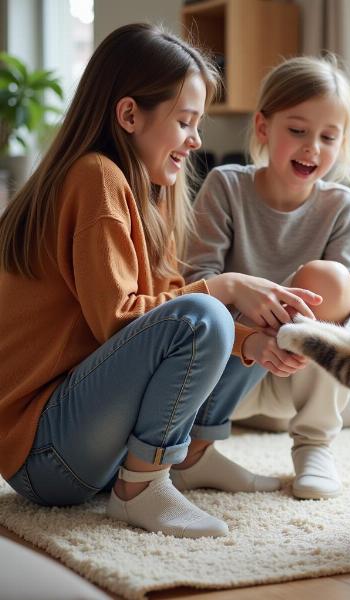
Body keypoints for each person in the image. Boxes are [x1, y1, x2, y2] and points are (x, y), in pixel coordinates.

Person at [0, 23, 323, 539]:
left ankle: (190, 456)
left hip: (78, 439)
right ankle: (141, 487)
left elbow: (162, 308)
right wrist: (225, 287)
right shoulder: (95, 177)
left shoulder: (145, 195)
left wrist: (257, 342)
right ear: (129, 115)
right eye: (185, 122)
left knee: (245, 316)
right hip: (46, 454)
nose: (196, 140)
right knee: (209, 309)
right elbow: (119, 321)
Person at [184, 55, 350, 500]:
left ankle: (314, 446)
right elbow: (196, 283)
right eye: (298, 130)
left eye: (328, 137)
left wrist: (294, 321)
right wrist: (256, 319)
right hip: (229, 369)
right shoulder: (225, 186)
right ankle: (197, 447)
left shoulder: (341, 206)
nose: (312, 148)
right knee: (206, 303)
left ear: (342, 143)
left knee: (328, 278)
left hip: (299, 376)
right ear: (264, 128)